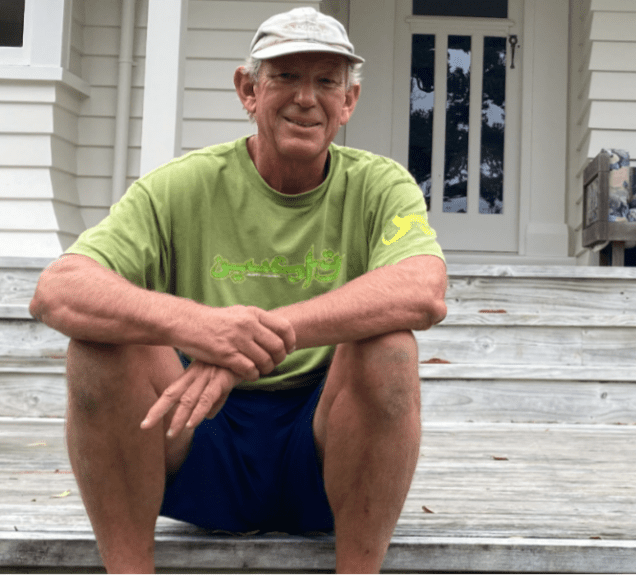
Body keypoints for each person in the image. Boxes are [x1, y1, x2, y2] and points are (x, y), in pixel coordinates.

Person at [29, 7, 446, 574]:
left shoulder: (379, 185)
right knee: (99, 344)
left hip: (327, 456)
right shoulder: (181, 185)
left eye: (326, 81)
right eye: (286, 77)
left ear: (348, 102)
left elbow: (423, 290)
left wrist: (249, 346)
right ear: (248, 90)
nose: (306, 97)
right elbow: (58, 290)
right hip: (196, 439)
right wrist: (199, 327)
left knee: (389, 346)